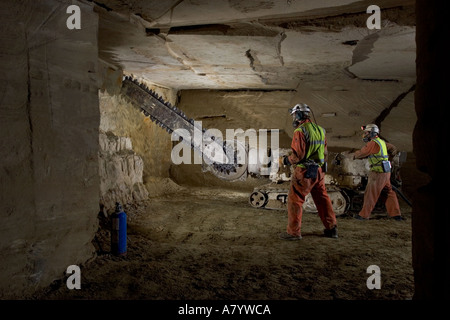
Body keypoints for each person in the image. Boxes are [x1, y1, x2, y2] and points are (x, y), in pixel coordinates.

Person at [279, 103, 338, 240]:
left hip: (304, 171)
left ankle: (293, 233)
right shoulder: (320, 130)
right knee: (323, 199)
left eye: (294, 115)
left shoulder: (300, 131)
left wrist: (285, 161)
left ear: (299, 115)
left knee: (295, 200)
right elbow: (325, 152)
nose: (294, 118)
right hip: (318, 171)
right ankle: (332, 229)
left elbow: (298, 156)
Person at [350, 124, 403, 221]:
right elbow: (393, 149)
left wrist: (351, 155)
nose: (365, 135)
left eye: (366, 133)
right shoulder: (381, 142)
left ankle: (364, 215)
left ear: (372, 133)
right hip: (386, 172)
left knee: (370, 193)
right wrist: (389, 159)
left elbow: (361, 153)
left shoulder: (372, 143)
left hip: (377, 173)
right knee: (388, 193)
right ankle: (396, 215)